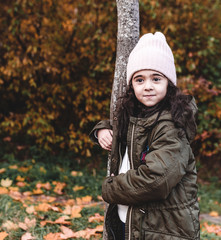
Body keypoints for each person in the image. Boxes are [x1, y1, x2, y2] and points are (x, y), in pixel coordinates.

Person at [90, 32, 200, 240]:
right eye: (139, 79)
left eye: (156, 78)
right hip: (132, 220)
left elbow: (156, 180)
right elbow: (126, 133)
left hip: (161, 229)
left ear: (168, 83)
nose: (148, 86)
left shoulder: (172, 126)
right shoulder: (136, 114)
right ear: (132, 85)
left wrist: (110, 187)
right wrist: (102, 129)